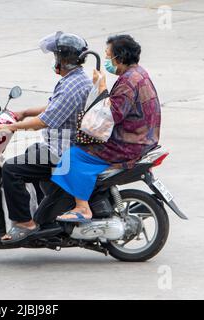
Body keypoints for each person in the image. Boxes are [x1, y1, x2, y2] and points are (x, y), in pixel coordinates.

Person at [0, 31, 92, 243]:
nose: (55, 61)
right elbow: (53, 108)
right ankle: (43, 211)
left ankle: (24, 223)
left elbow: (45, 120)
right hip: (58, 143)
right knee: (30, 153)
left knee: (11, 169)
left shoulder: (72, 86)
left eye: (57, 56)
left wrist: (13, 127)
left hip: (62, 150)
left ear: (65, 59)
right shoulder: (75, 79)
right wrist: (25, 112)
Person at [52, 34, 161, 223]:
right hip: (144, 138)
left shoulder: (127, 82)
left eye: (109, 55)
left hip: (129, 143)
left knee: (73, 156)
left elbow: (110, 116)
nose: (107, 60)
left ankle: (82, 208)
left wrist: (101, 87)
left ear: (119, 58)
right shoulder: (139, 73)